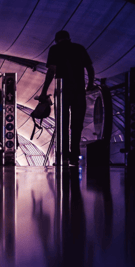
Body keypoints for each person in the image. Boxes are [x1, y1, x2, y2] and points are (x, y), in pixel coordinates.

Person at [40, 30, 95, 166]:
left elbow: (52, 70)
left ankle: (64, 156)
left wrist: (44, 91)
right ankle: (75, 156)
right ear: (69, 38)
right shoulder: (80, 48)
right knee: (77, 124)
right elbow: (90, 69)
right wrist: (90, 85)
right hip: (79, 91)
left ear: (56, 40)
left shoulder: (55, 49)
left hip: (62, 90)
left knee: (62, 124)